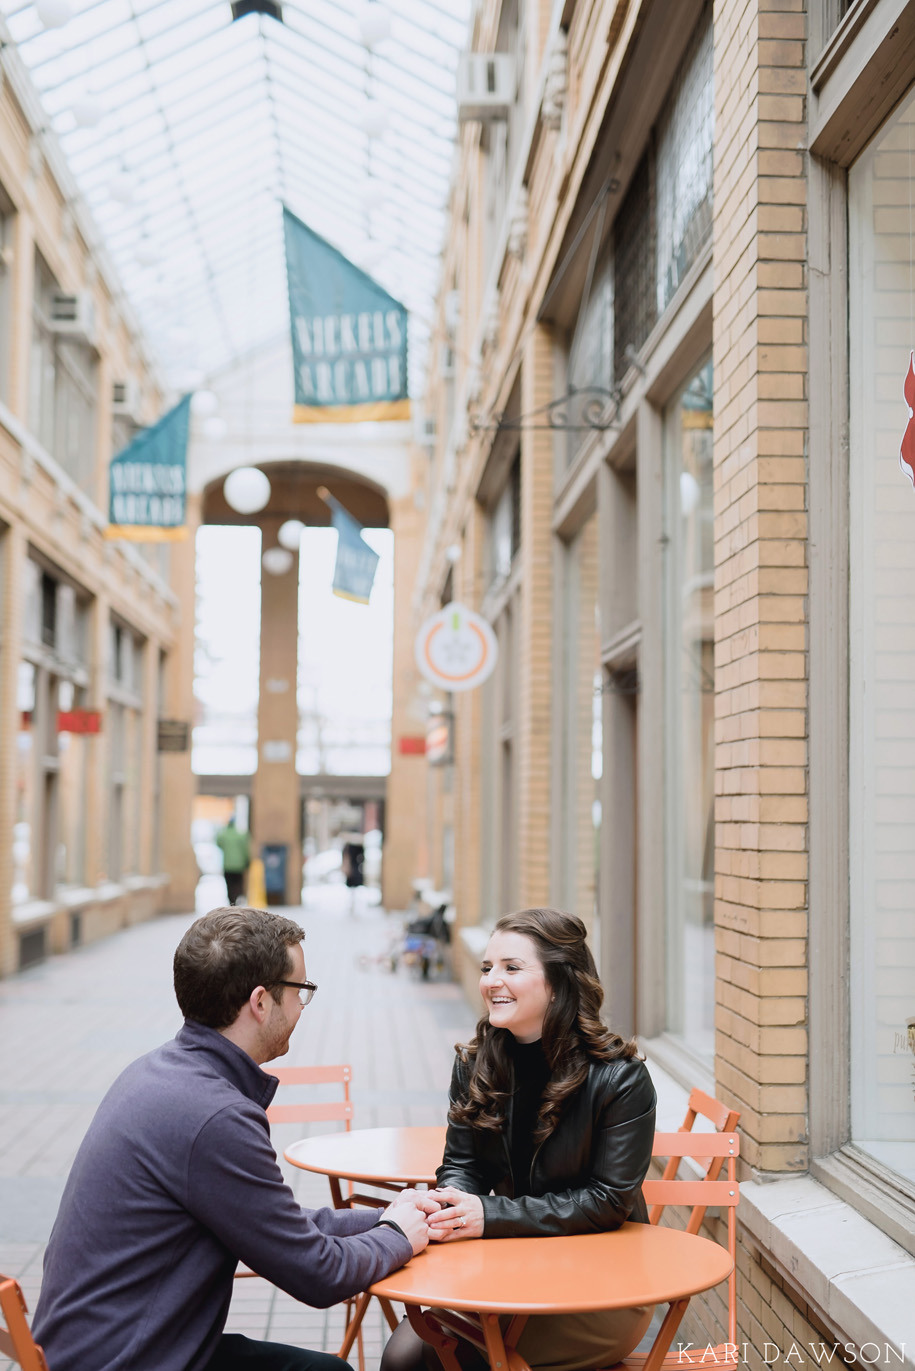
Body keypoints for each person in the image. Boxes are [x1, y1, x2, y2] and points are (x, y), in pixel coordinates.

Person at [32, 906, 436, 1371]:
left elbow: (269, 1221)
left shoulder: (158, 1071)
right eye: (301, 991)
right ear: (261, 1002)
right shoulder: (214, 1116)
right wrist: (398, 1237)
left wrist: (387, 1216)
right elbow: (318, 1275)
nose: (303, 1007)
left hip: (101, 1349)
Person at [381, 906, 657, 1371]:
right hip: (506, 1269)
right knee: (403, 1354)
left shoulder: (620, 1079)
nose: (491, 980)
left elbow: (608, 1200)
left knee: (440, 1360)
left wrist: (487, 1214)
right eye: (488, 967)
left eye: (512, 968)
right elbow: (463, 1164)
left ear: (559, 983)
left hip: (599, 1286)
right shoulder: (476, 1064)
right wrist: (452, 1205)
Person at [216, 817, 251, 906]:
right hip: (239, 865)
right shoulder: (240, 835)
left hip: (227, 865)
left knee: (229, 884)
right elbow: (245, 849)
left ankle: (231, 901)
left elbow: (218, 843)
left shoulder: (224, 835)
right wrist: (247, 860)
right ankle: (236, 897)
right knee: (238, 883)